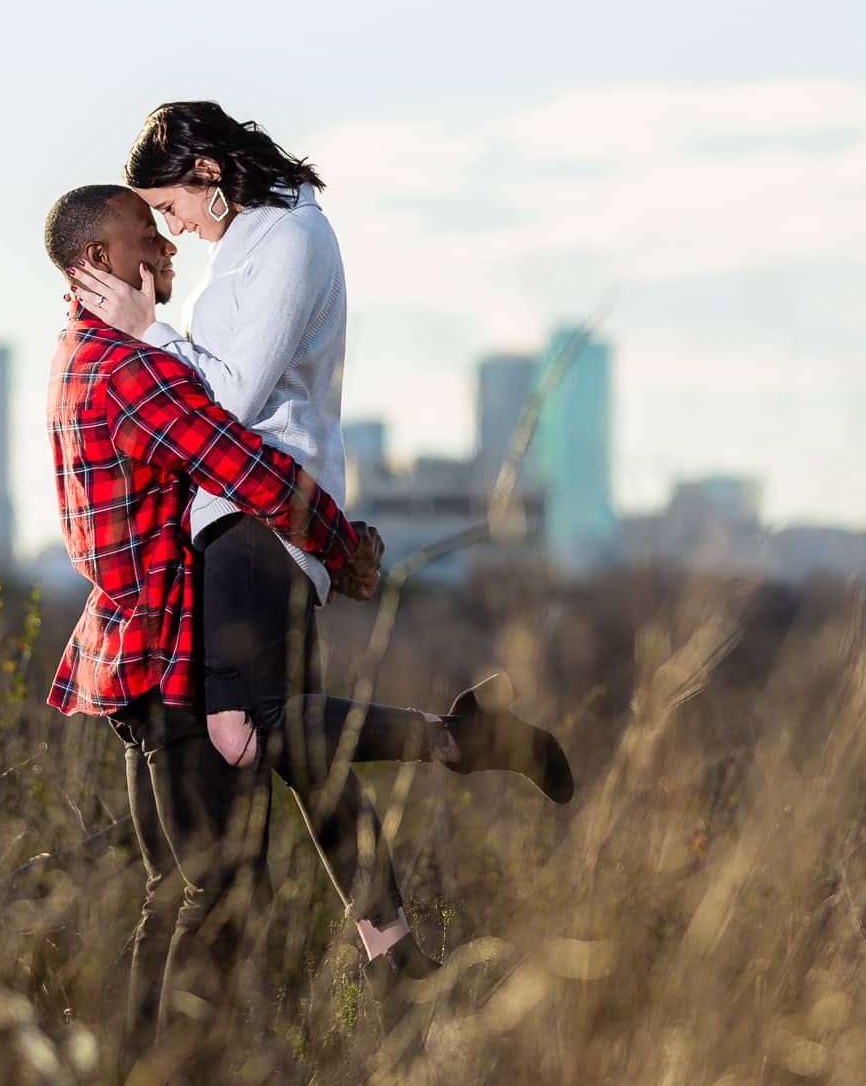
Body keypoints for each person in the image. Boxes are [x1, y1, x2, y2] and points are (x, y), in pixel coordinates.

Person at [65, 104, 573, 994]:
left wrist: (153, 338)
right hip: (240, 517)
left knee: (252, 731)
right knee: (301, 747)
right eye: (155, 219)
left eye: (170, 206)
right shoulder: (251, 245)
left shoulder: (289, 240)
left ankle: (452, 743)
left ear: (210, 174)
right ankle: (400, 960)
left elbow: (226, 396)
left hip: (259, 518)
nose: (173, 231)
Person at [43, 183, 381, 1044]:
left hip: (125, 659)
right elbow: (245, 465)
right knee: (222, 885)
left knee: (180, 887)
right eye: (146, 237)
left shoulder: (75, 355)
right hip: (169, 658)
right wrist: (344, 546)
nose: (166, 248)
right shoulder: (130, 372)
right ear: (98, 263)